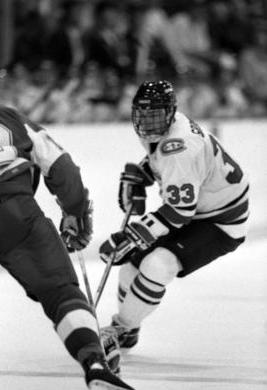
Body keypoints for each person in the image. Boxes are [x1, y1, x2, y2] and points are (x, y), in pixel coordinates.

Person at [99, 80, 249, 373]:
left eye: (154, 115)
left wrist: (133, 235)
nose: (146, 123)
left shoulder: (178, 146)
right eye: (141, 114)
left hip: (221, 220)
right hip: (200, 209)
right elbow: (168, 167)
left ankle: (120, 328)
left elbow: (179, 210)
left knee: (158, 265)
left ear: (170, 113)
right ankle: (128, 329)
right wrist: (144, 172)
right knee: (131, 266)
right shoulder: (168, 129)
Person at [0, 105, 139, 390]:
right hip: (13, 212)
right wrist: (74, 210)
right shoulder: (10, 119)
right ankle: (94, 361)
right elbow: (62, 167)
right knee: (60, 293)